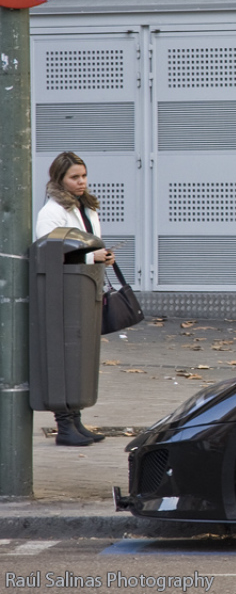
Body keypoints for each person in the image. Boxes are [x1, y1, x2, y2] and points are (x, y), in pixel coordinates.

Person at [34, 151, 115, 447]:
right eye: (74, 177)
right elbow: (49, 253)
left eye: (83, 176)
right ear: (59, 179)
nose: (81, 182)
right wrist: (89, 256)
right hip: (63, 291)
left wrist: (100, 257)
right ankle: (65, 424)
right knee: (63, 355)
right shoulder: (52, 211)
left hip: (82, 288)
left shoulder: (86, 207)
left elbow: (85, 243)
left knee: (78, 356)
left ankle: (76, 421)